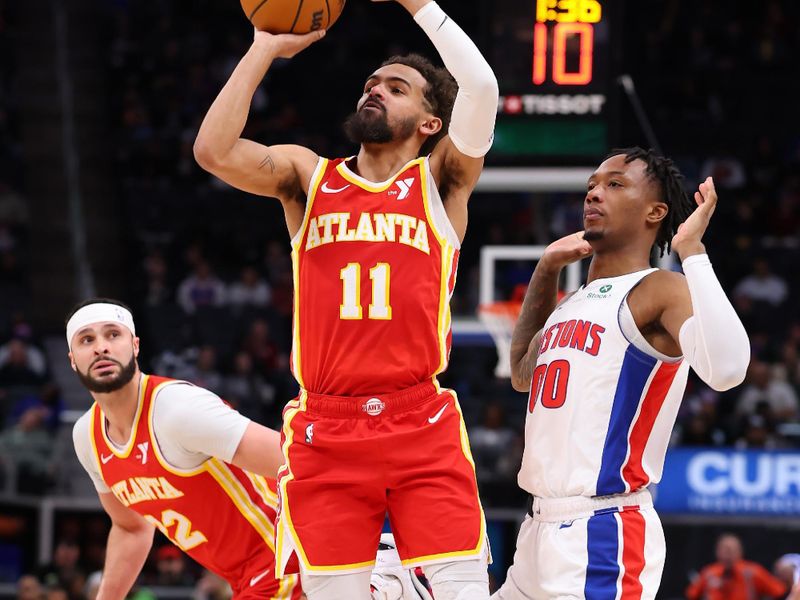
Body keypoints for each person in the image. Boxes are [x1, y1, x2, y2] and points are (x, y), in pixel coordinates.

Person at [193, 0, 498, 597]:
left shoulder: (439, 181)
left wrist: (421, 6)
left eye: (396, 87)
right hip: (325, 430)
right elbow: (213, 152)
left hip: (419, 420)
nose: (375, 91)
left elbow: (481, 87)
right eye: (371, 84)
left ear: (430, 123)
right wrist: (263, 47)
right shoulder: (311, 179)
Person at [495, 148, 751, 599]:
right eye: (592, 184)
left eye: (615, 184)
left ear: (656, 211)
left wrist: (692, 251)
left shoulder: (659, 288)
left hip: (602, 531)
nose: (594, 193)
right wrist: (547, 269)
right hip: (536, 530)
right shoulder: (574, 301)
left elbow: (728, 369)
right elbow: (521, 374)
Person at [67, 298, 301, 599]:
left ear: (135, 346)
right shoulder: (87, 437)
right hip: (249, 580)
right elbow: (130, 528)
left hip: (291, 564)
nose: (101, 346)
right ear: (73, 359)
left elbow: (298, 464)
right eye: (87, 339)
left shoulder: (176, 409)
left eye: (113, 334)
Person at [685, 533, 786, 600]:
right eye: (724, 550)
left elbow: (779, 591)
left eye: (731, 550)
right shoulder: (709, 573)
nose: (728, 554)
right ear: (717, 552)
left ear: (740, 552)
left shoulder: (752, 573)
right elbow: (691, 594)